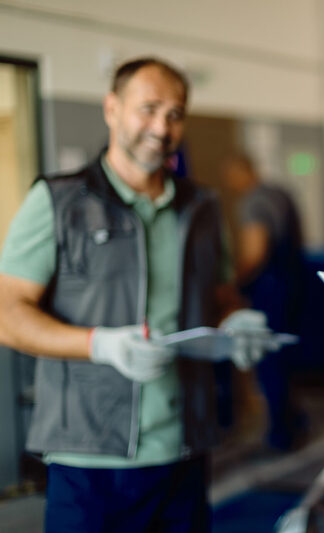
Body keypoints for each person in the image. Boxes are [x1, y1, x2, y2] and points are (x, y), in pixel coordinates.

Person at [0, 57, 269, 532]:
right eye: (148, 109)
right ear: (111, 108)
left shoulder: (202, 206)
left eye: (175, 113)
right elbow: (7, 313)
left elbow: (221, 294)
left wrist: (234, 323)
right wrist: (99, 345)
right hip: (89, 463)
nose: (161, 127)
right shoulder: (57, 202)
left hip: (184, 452)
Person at [222, 153, 307, 451]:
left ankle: (280, 436)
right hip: (295, 283)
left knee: (270, 361)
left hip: (270, 289)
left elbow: (255, 252)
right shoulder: (280, 193)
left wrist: (232, 285)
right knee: (286, 356)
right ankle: (295, 421)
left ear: (238, 171)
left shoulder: (253, 202)